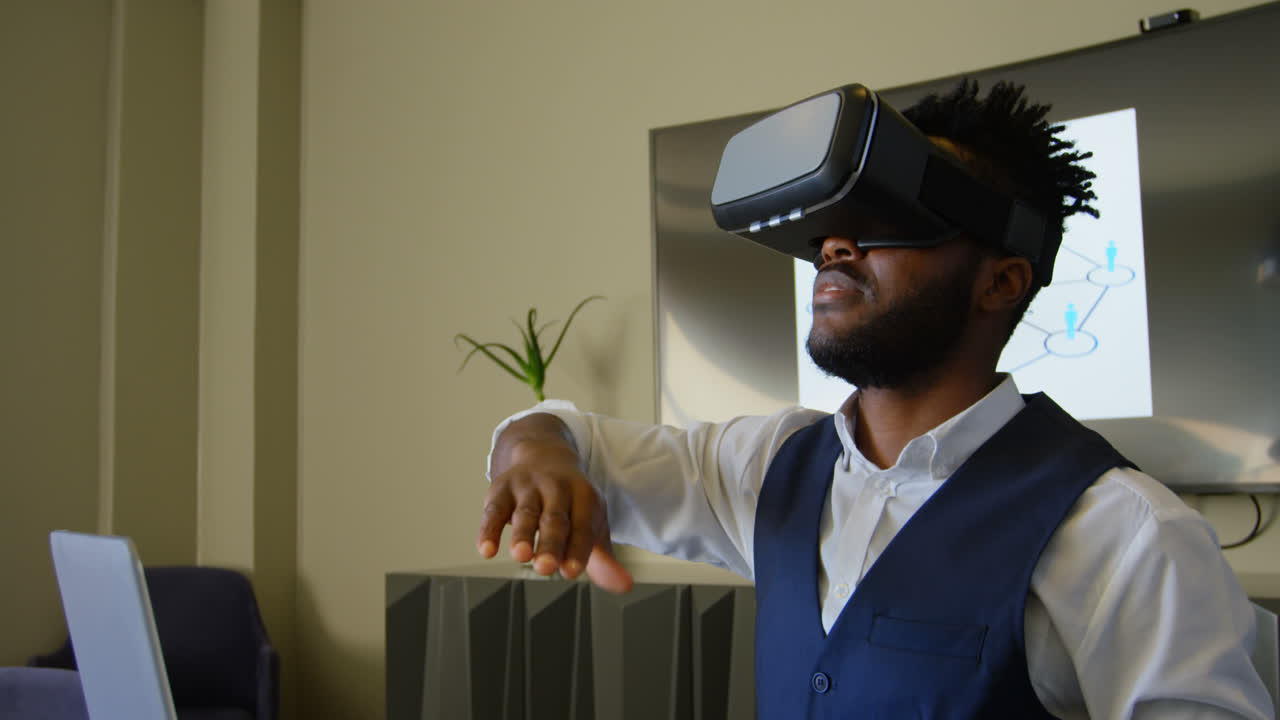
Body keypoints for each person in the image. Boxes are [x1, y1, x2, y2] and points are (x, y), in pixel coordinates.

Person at [476, 81, 1275, 719]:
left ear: (1001, 281)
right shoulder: (766, 468)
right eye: (827, 223)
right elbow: (561, 435)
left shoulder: (1126, 536)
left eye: (886, 215)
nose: (833, 243)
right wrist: (534, 454)